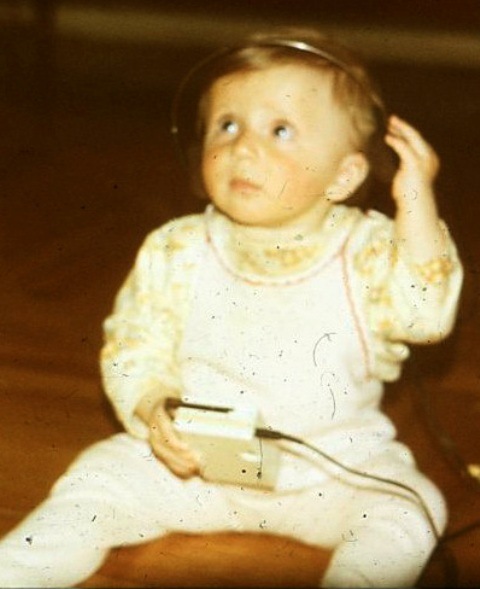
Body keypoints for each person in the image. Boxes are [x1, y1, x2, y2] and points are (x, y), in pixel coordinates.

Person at [0, 27, 463, 588]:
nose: (243, 147)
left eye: (280, 130)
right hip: (194, 468)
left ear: (344, 175)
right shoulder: (178, 249)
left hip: (330, 474)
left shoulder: (369, 252)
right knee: (98, 478)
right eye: (227, 125)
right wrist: (152, 407)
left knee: (410, 507)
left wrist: (416, 203)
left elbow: (425, 317)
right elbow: (134, 346)